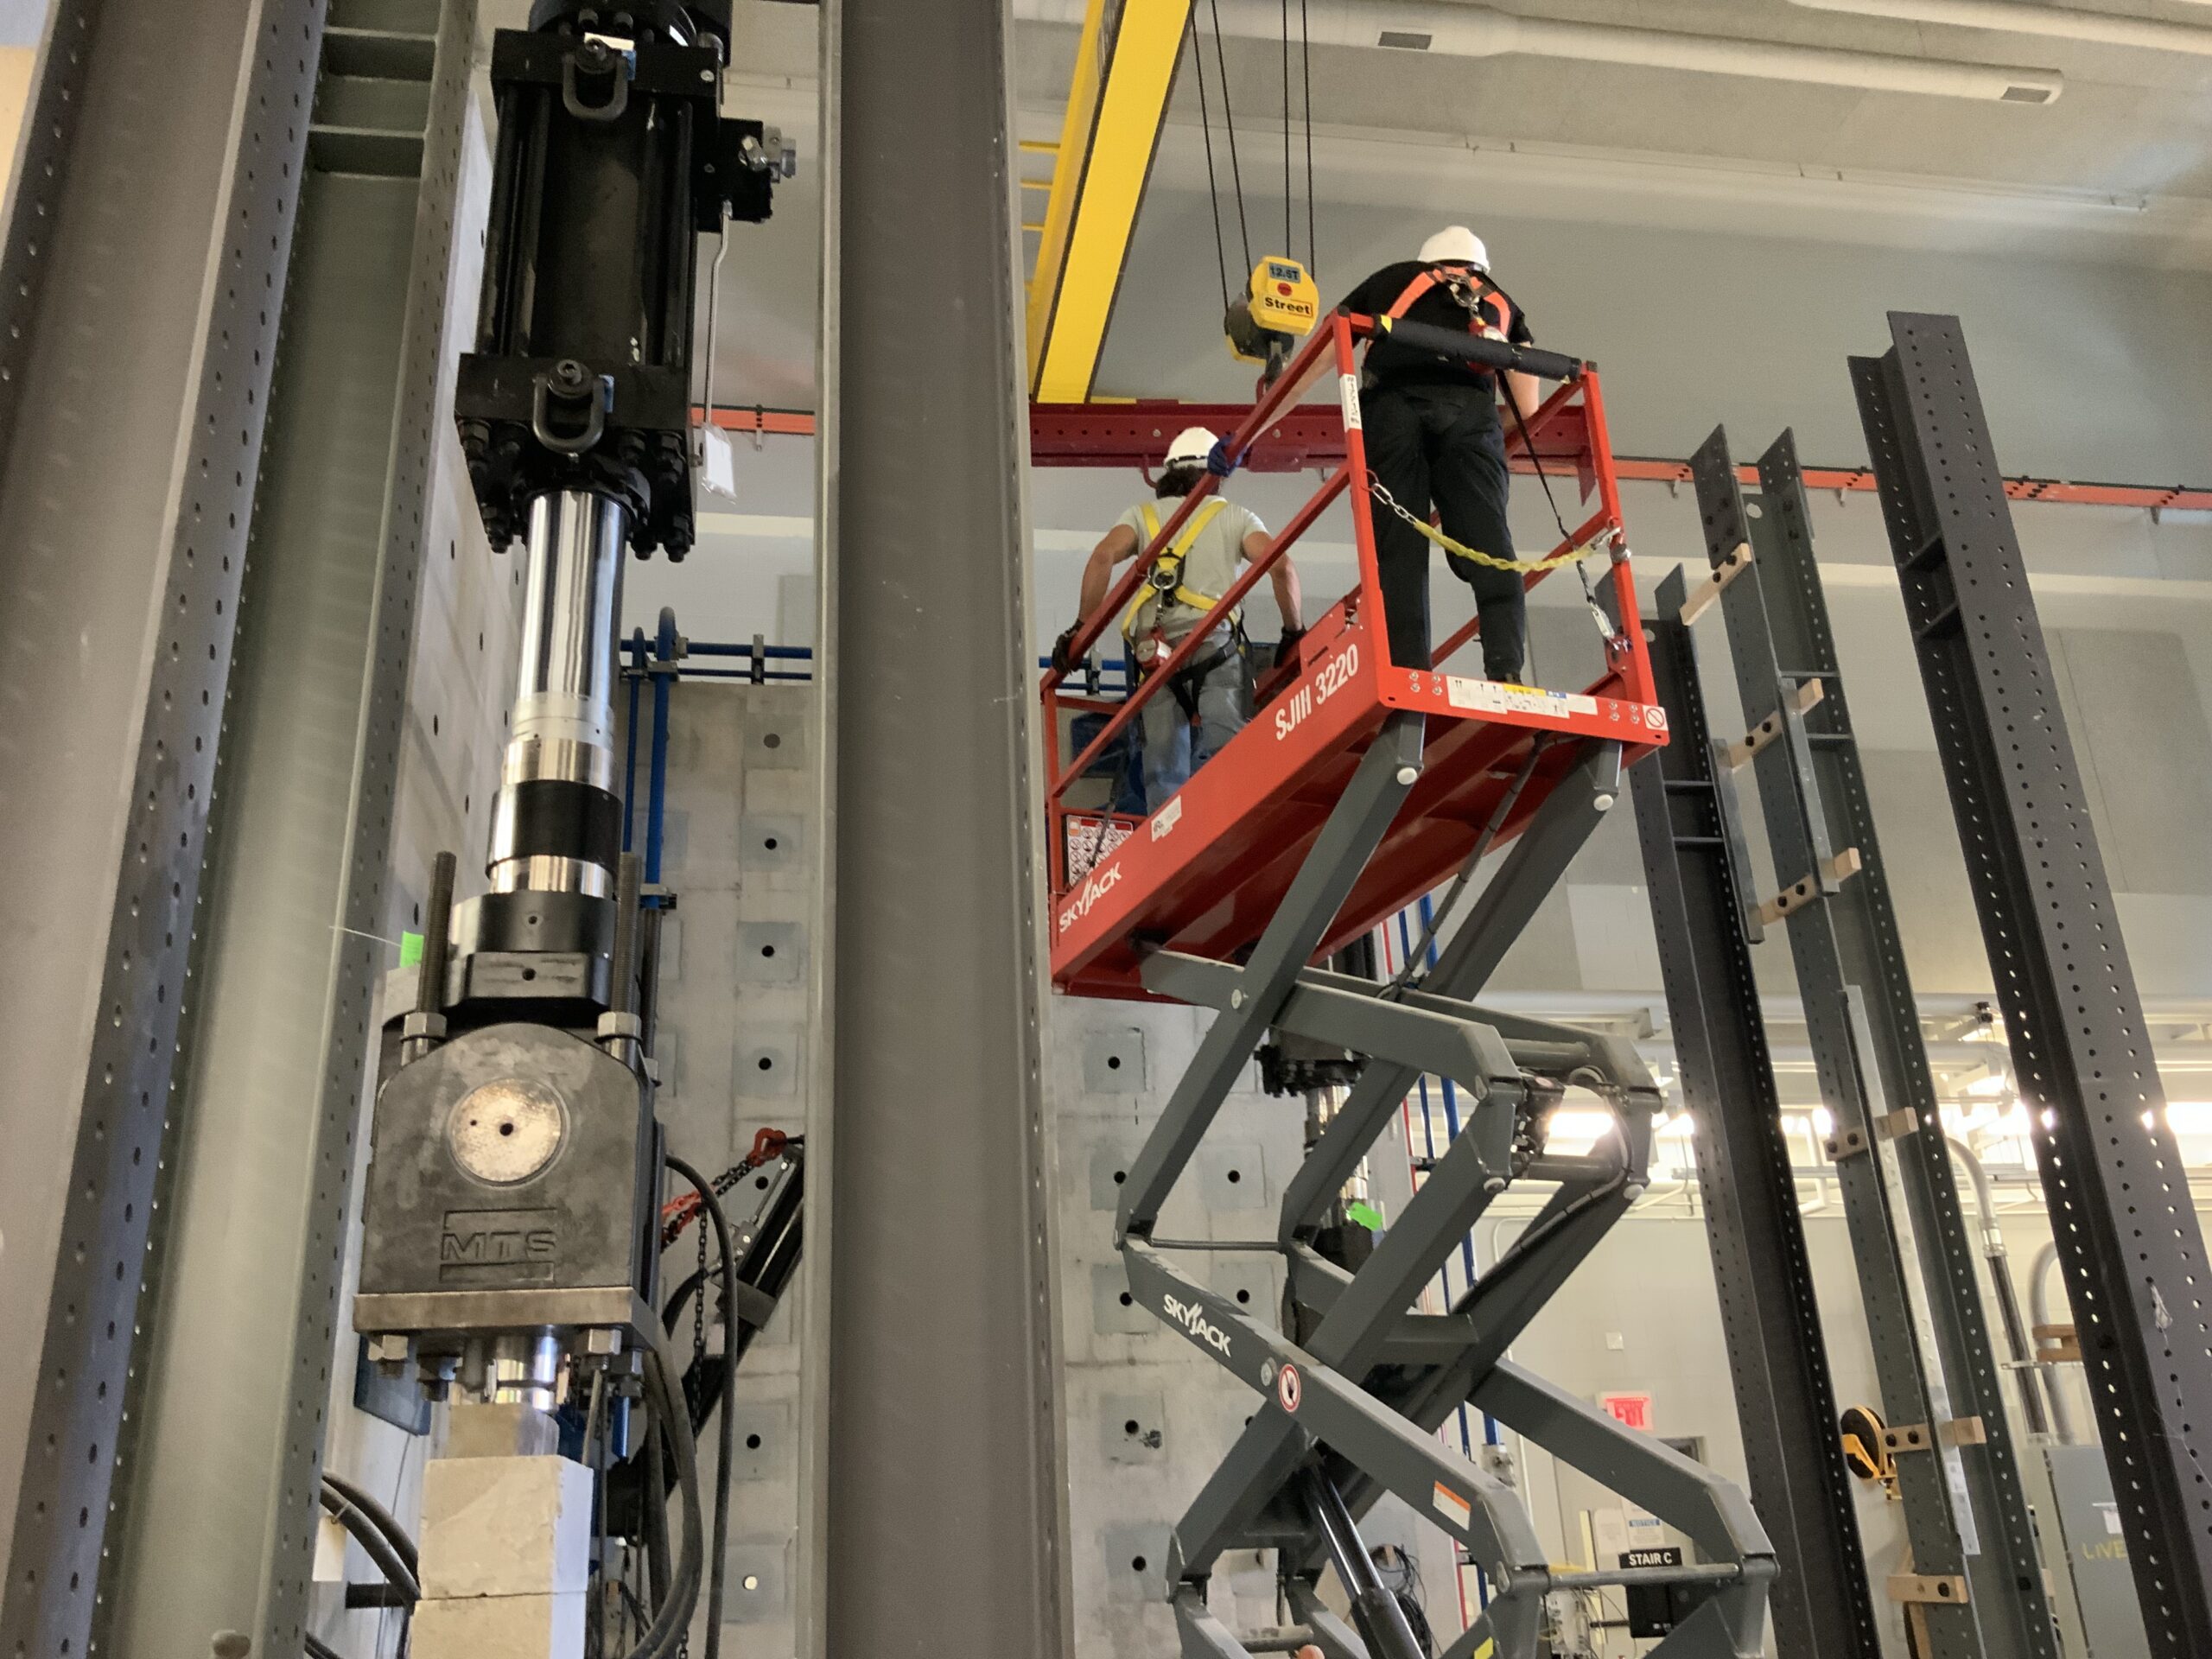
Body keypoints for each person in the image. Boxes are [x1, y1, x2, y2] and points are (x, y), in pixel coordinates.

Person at [1052, 425, 1303, 809]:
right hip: (1214, 646)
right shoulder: (1235, 516)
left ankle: (1166, 841)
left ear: (1168, 472)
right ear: (1212, 474)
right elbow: (1281, 566)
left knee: (1162, 774)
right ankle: (1237, 819)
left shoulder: (1141, 515)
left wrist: (1081, 628)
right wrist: (1293, 631)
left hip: (1155, 654)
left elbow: (1102, 556)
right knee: (1229, 750)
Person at [1337, 226, 1544, 682]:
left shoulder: (1393, 279)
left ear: (1428, 261)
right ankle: (1506, 669)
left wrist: (1268, 414)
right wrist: (1480, 429)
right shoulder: (1502, 303)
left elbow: (1331, 340)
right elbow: (1527, 406)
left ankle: (1410, 675)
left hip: (1393, 410)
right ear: (1479, 267)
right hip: (1469, 414)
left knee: (1400, 550)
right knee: (1491, 542)